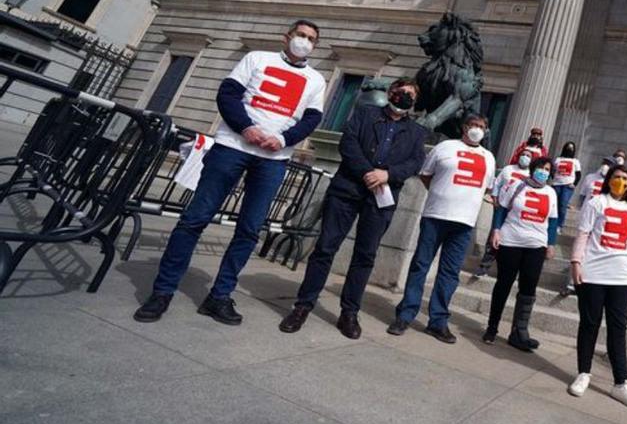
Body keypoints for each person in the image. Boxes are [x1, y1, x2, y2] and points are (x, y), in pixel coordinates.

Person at [134, 20, 326, 325]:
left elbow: (312, 118)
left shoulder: (316, 80)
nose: (304, 41)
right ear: (287, 36)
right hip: (231, 148)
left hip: (273, 159)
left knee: (249, 230)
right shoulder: (256, 59)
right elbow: (228, 95)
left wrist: (283, 139)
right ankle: (162, 292)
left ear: (315, 46)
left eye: (311, 39)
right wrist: (246, 128)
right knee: (194, 219)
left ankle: (220, 295)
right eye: (300, 35)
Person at [278, 78, 427, 339]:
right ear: (391, 92)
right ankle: (303, 306)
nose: (405, 97)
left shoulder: (416, 132)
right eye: (402, 92)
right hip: (347, 190)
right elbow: (348, 144)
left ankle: (349, 312)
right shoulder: (364, 113)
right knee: (325, 248)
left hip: (381, 197)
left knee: (365, 255)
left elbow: (415, 163)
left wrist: (388, 174)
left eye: (411, 95)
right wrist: (368, 172)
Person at [388, 113, 496, 344]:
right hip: (435, 216)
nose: (476, 129)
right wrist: (442, 194)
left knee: (449, 273)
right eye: (473, 125)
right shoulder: (444, 147)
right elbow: (426, 175)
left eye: (481, 126)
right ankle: (405, 315)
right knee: (420, 265)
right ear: (464, 127)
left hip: (464, 222)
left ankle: (437, 321)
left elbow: (487, 189)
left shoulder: (489, 157)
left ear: (485, 131)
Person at [568, 165, 627, 412]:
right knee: (589, 324)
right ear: (608, 180)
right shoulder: (595, 203)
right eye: (616, 177)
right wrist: (576, 262)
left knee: (618, 328)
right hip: (593, 270)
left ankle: (621, 382)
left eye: (625, 178)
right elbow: (583, 235)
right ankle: (583, 373)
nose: (620, 181)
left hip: (622, 274)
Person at [483, 156, 558, 351]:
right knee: (504, 283)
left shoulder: (551, 193)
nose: (544, 171)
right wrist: (496, 230)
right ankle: (492, 327)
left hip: (536, 245)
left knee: (528, 288)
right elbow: (501, 209)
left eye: (548, 169)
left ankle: (519, 332)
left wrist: (550, 243)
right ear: (533, 168)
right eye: (541, 167)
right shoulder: (516, 185)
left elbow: (553, 221)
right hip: (511, 240)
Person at [473, 148, 533, 277]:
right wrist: (495, 199)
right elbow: (497, 184)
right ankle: (484, 265)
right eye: (523, 154)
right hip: (501, 207)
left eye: (528, 155)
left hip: (517, 213)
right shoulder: (508, 169)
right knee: (494, 235)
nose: (525, 157)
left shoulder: (531, 174)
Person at [564, 156, 613, 294]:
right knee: (578, 251)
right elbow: (581, 196)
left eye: (609, 164)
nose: (606, 166)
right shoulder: (590, 177)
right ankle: (571, 283)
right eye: (605, 162)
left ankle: (586, 283)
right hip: (587, 219)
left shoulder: (612, 183)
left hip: (601, 224)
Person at [550, 142, 581, 236]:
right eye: (568, 147)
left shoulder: (575, 161)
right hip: (556, 184)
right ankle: (552, 223)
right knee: (554, 205)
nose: (569, 149)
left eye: (572, 148)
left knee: (563, 205)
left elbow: (578, 174)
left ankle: (560, 225)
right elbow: (552, 170)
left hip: (568, 185)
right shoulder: (558, 159)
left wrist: (574, 184)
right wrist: (553, 179)